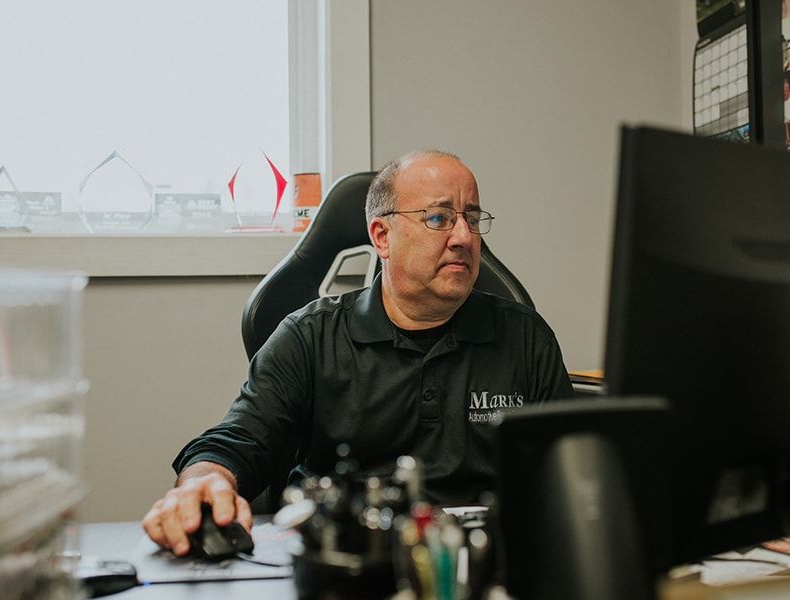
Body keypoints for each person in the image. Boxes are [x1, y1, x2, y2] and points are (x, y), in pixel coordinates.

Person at [141, 150, 574, 556]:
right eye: (439, 217)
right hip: (344, 561)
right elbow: (239, 440)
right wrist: (204, 481)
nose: (464, 236)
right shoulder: (309, 337)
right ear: (382, 236)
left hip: (480, 564)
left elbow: (570, 474)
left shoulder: (525, 338)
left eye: (472, 218)